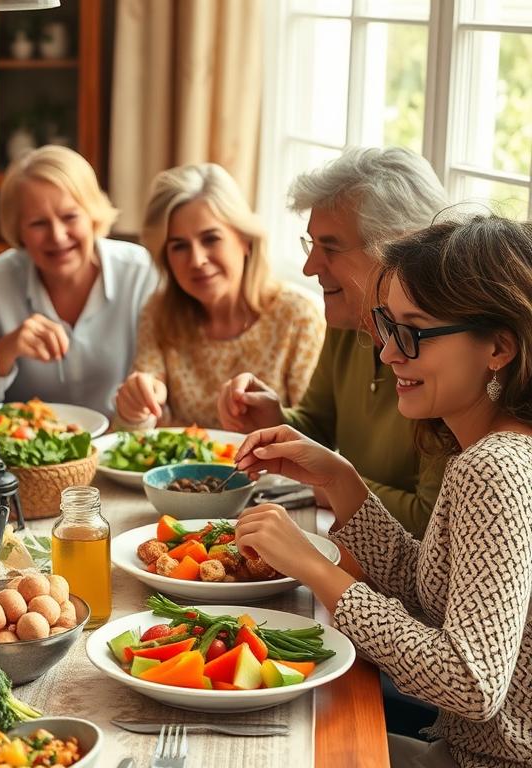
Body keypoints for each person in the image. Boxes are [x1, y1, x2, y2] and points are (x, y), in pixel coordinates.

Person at [233, 214, 532, 768]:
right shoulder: (490, 446)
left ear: (499, 348)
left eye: (414, 332)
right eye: (387, 326)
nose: (390, 353)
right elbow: (434, 597)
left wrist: (317, 570)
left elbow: (470, 682)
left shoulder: (494, 467)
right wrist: (340, 481)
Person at [218, 147, 448, 538]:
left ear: (399, 247)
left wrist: (332, 483)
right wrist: (276, 421)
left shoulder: (447, 353)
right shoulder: (349, 321)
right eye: (311, 245)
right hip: (353, 550)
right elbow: (320, 426)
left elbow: (431, 521)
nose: (309, 267)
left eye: (331, 247)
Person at [0, 145, 157, 415]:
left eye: (70, 217)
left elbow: (159, 381)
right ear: (18, 230)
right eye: (38, 223)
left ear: (92, 214)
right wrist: (4, 351)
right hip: (26, 451)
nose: (58, 236)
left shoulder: (140, 272)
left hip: (117, 443)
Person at [114, 163, 324, 428]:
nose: (197, 260)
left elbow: (318, 434)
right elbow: (138, 434)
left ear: (245, 240)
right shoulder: (158, 312)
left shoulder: (297, 317)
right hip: (173, 470)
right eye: (179, 246)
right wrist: (136, 409)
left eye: (211, 239)